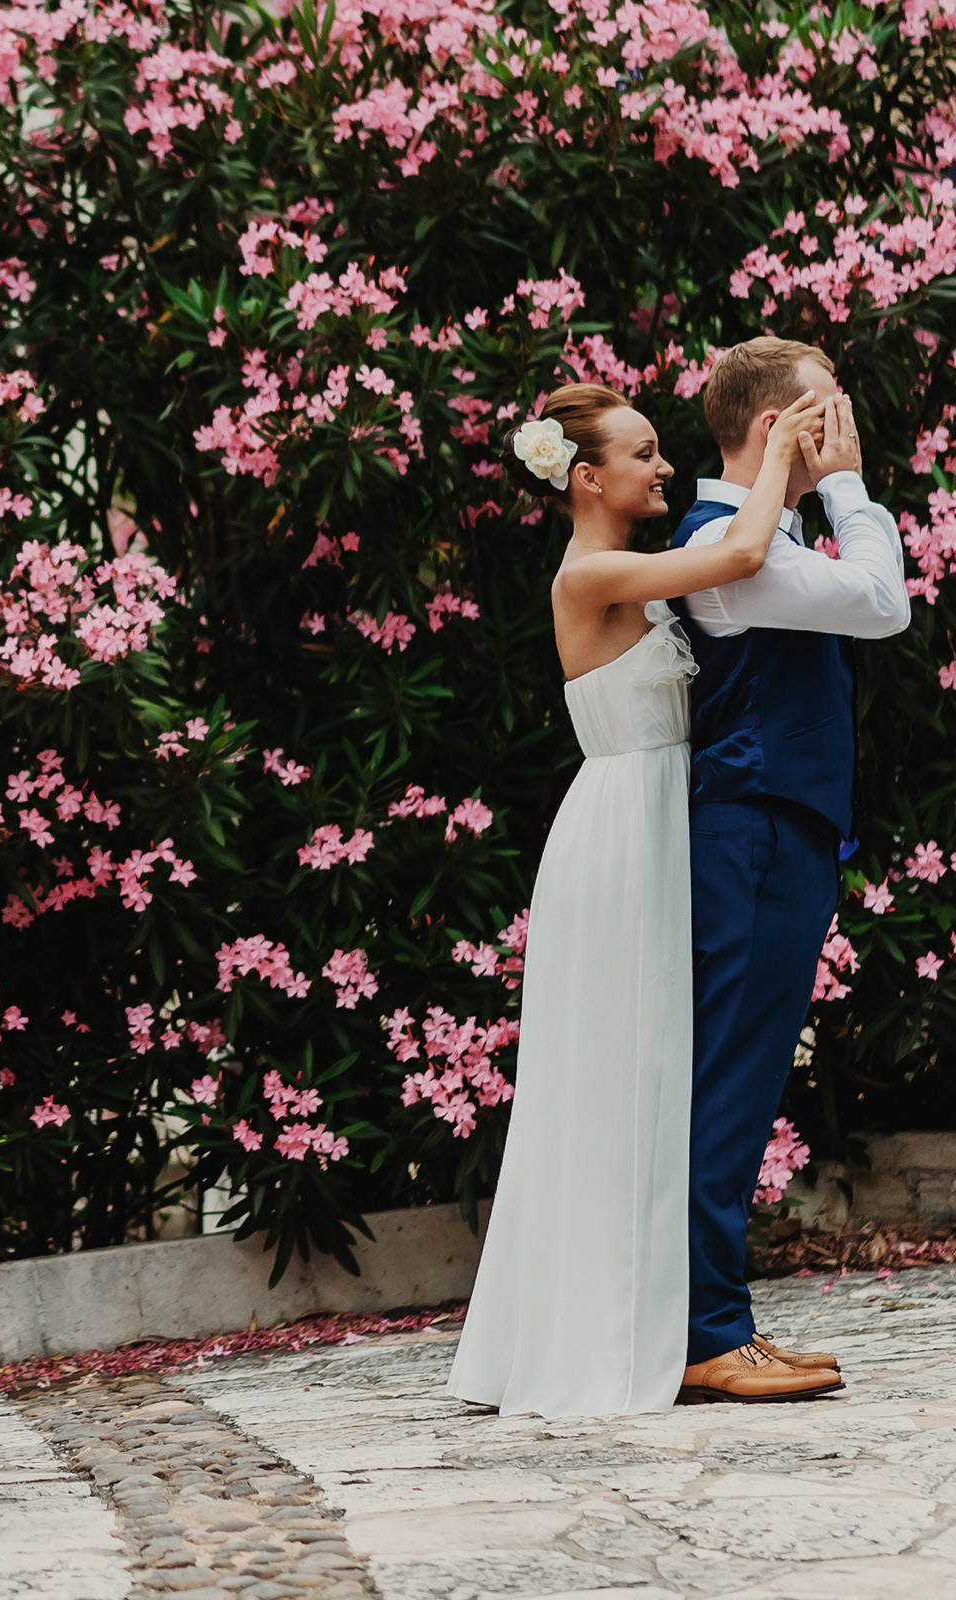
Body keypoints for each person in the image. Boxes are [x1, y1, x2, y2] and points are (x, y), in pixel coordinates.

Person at [449, 379, 834, 1417]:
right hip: (624, 826)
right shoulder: (600, 571)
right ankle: (658, 1337)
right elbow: (746, 554)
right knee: (629, 1077)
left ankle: (681, 1322)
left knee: (656, 1076)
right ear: (588, 478)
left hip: (663, 813)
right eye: (644, 453)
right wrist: (790, 448)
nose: (664, 467)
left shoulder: (628, 571)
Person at [668, 338, 912, 1402]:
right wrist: (850, 481)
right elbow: (883, 599)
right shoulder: (729, 541)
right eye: (831, 415)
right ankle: (706, 1332)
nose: (846, 432)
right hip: (755, 834)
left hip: (776, 830)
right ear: (775, 431)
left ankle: (723, 1322)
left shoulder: (754, 531)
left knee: (746, 1077)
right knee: (731, 1080)